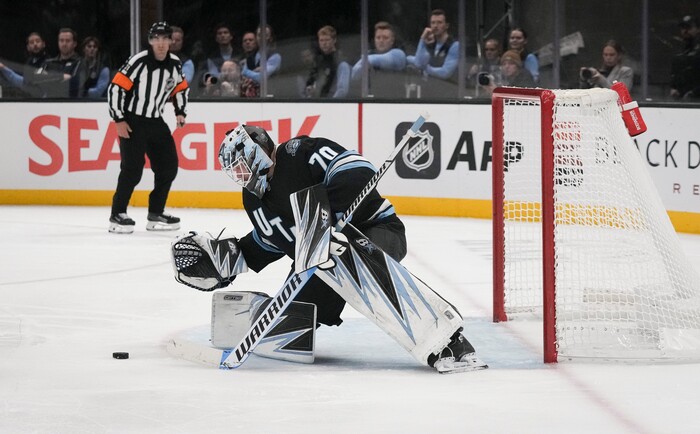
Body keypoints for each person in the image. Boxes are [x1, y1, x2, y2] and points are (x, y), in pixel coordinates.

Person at [173, 124, 488, 373]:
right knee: (291, 318)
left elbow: (358, 171)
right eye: (235, 172)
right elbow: (274, 240)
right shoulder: (253, 199)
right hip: (321, 261)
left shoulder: (300, 152)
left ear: (258, 151)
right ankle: (279, 317)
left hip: (376, 230)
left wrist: (326, 221)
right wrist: (232, 258)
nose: (240, 177)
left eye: (241, 167)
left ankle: (446, 340)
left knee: (344, 256)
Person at [106, 22, 189, 234]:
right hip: (132, 121)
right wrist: (119, 119)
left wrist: (180, 111)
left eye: (165, 38)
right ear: (150, 41)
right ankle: (117, 213)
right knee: (132, 169)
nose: (161, 43)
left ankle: (156, 213)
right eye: (156, 39)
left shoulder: (175, 63)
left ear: (171, 41)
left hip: (155, 120)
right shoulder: (139, 61)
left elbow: (180, 88)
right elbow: (116, 88)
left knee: (169, 166)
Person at [405, 9, 460, 97]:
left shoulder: (454, 45)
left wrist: (424, 68)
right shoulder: (428, 42)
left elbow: (445, 73)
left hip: (449, 94)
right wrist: (422, 39)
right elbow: (418, 63)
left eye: (439, 22)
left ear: (446, 25)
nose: (435, 26)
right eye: (433, 23)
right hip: (428, 92)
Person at [351, 21, 406, 97]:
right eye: (378, 37)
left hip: (394, 100)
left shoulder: (398, 55)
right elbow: (354, 76)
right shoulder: (368, 54)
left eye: (385, 38)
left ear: (392, 40)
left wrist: (366, 60)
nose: (381, 41)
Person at [303, 25, 350, 98]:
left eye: (327, 40)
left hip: (331, 104)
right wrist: (309, 90)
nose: (324, 43)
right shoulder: (319, 60)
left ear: (334, 40)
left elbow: (342, 90)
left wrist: (330, 104)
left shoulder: (341, 62)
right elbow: (311, 82)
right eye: (321, 40)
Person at [0, 32, 49, 97]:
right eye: (31, 42)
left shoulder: (49, 61)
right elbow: (23, 82)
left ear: (43, 44)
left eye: (37, 41)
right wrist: (3, 68)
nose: (35, 44)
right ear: (28, 47)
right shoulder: (29, 62)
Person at [240, 24, 282, 97]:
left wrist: (246, 71)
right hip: (252, 97)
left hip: (269, 97)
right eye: (259, 35)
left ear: (270, 38)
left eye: (265, 35)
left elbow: (261, 78)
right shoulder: (251, 56)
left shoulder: (275, 57)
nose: (262, 37)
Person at [41, 28, 82, 98]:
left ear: (74, 44)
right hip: (48, 104)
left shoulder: (80, 62)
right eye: (61, 41)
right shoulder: (48, 63)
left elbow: (73, 84)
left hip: (71, 104)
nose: (64, 44)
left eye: (68, 41)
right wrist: (62, 76)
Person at [670, 15, 700, 100]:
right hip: (683, 101)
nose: (685, 31)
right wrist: (674, 87)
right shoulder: (681, 50)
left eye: (689, 27)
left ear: (698, 29)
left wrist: (693, 93)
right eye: (682, 28)